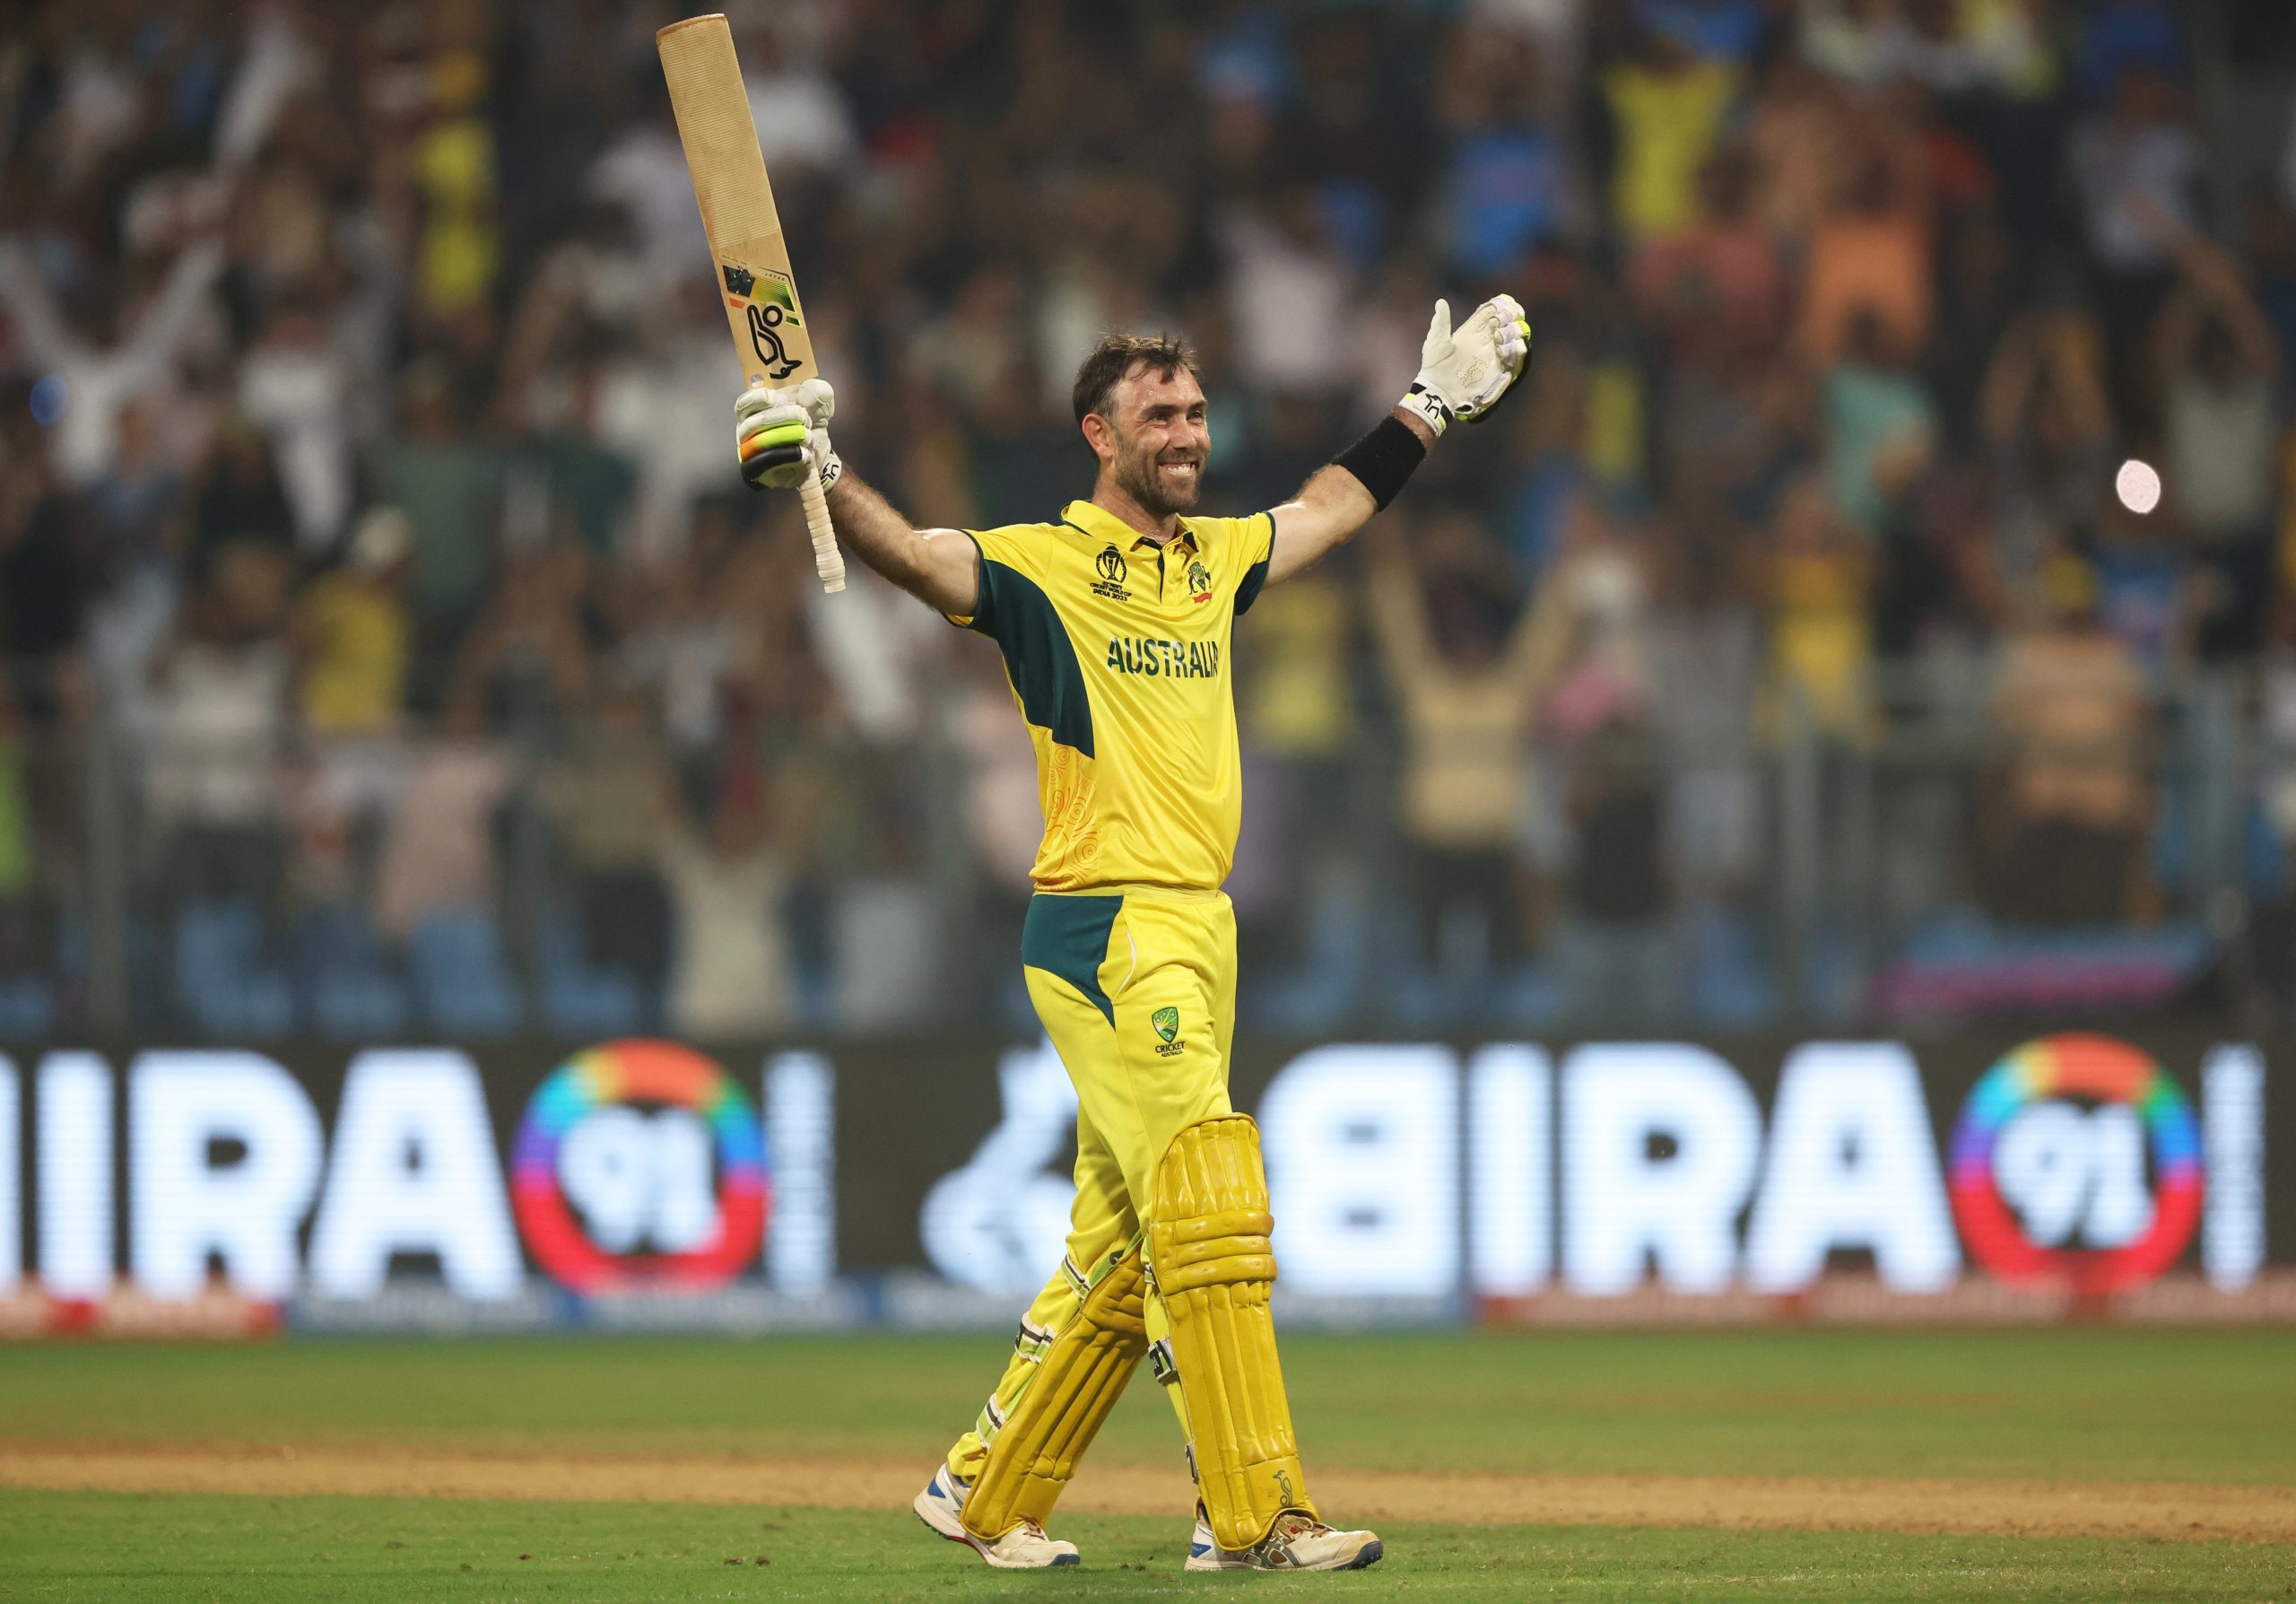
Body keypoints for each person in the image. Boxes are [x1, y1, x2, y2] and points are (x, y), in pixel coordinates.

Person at [734, 300, 1530, 1572]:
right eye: (1158, 413)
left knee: (1123, 1245)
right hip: (1108, 923)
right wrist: (826, 474)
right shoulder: (1044, 564)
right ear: (1098, 433)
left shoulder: (1213, 563)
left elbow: (1329, 507)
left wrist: (1426, 407)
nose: (1186, 433)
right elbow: (926, 558)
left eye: (1197, 412)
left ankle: (984, 1494)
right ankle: (1256, 1515)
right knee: (1208, 1198)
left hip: (1197, 929)